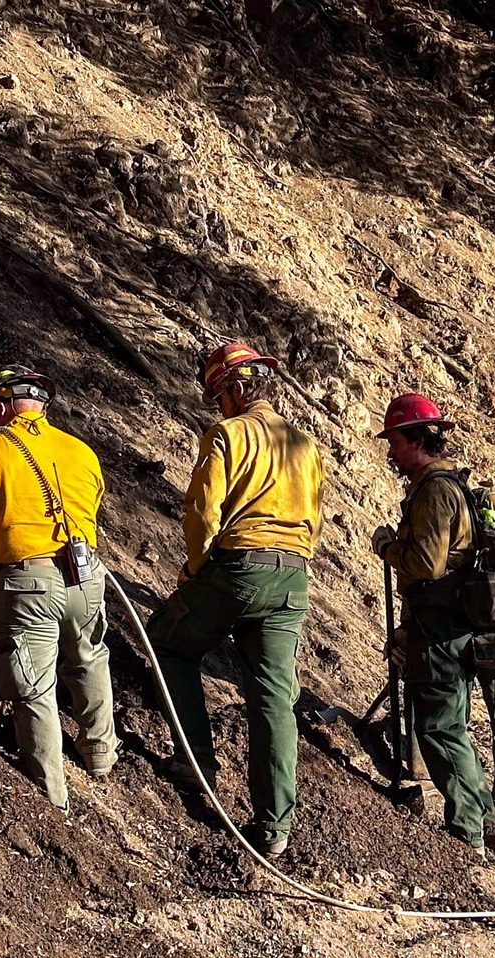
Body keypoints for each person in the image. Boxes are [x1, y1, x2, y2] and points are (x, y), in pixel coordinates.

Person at [146, 341, 325, 859]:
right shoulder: (305, 445)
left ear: (234, 387)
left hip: (239, 566)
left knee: (168, 644)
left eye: (217, 394)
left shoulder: (228, 434)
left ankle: (196, 762)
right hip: (293, 576)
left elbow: (203, 510)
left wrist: (195, 568)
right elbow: (313, 520)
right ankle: (274, 828)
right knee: (273, 698)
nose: (218, 405)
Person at [371, 393, 495, 859]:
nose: (390, 452)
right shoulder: (454, 487)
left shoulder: (434, 491)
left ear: (416, 441)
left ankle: (467, 828)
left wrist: (386, 547)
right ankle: (483, 815)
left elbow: (425, 564)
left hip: (439, 629)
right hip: (454, 625)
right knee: (452, 727)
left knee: (441, 729)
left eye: (395, 442)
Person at [0, 365, 116, 811]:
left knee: (33, 686)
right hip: (87, 576)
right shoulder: (82, 452)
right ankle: (99, 752)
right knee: (89, 656)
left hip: (27, 583)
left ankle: (49, 796)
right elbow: (93, 510)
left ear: (1, 407)